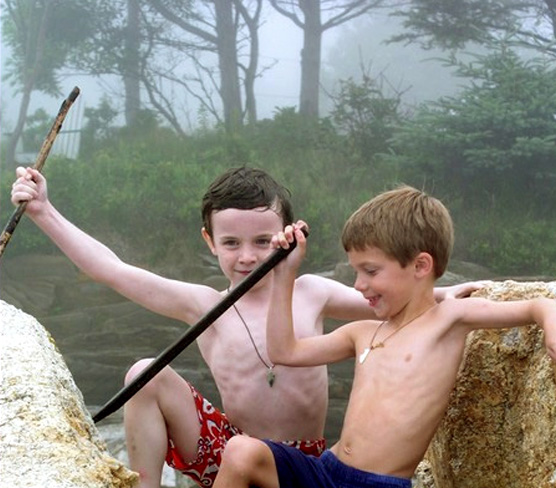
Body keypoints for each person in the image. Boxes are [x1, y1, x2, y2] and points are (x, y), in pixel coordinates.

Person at [11, 167, 481, 488]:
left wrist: (446, 294)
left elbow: (392, 302)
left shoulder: (311, 291)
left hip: (300, 463)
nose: (248, 256)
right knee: (142, 374)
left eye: (262, 241)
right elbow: (112, 270)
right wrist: (43, 212)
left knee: (256, 452)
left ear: (287, 235)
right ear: (210, 241)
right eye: (232, 243)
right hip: (231, 452)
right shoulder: (204, 305)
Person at [212, 185, 556, 488]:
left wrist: (554, 324)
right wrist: (285, 275)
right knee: (241, 452)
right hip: (327, 470)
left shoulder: (448, 319)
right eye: (356, 272)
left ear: (421, 265)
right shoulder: (362, 332)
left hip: (377, 484)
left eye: (371, 271)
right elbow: (283, 351)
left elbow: (536, 305)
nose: (359, 285)